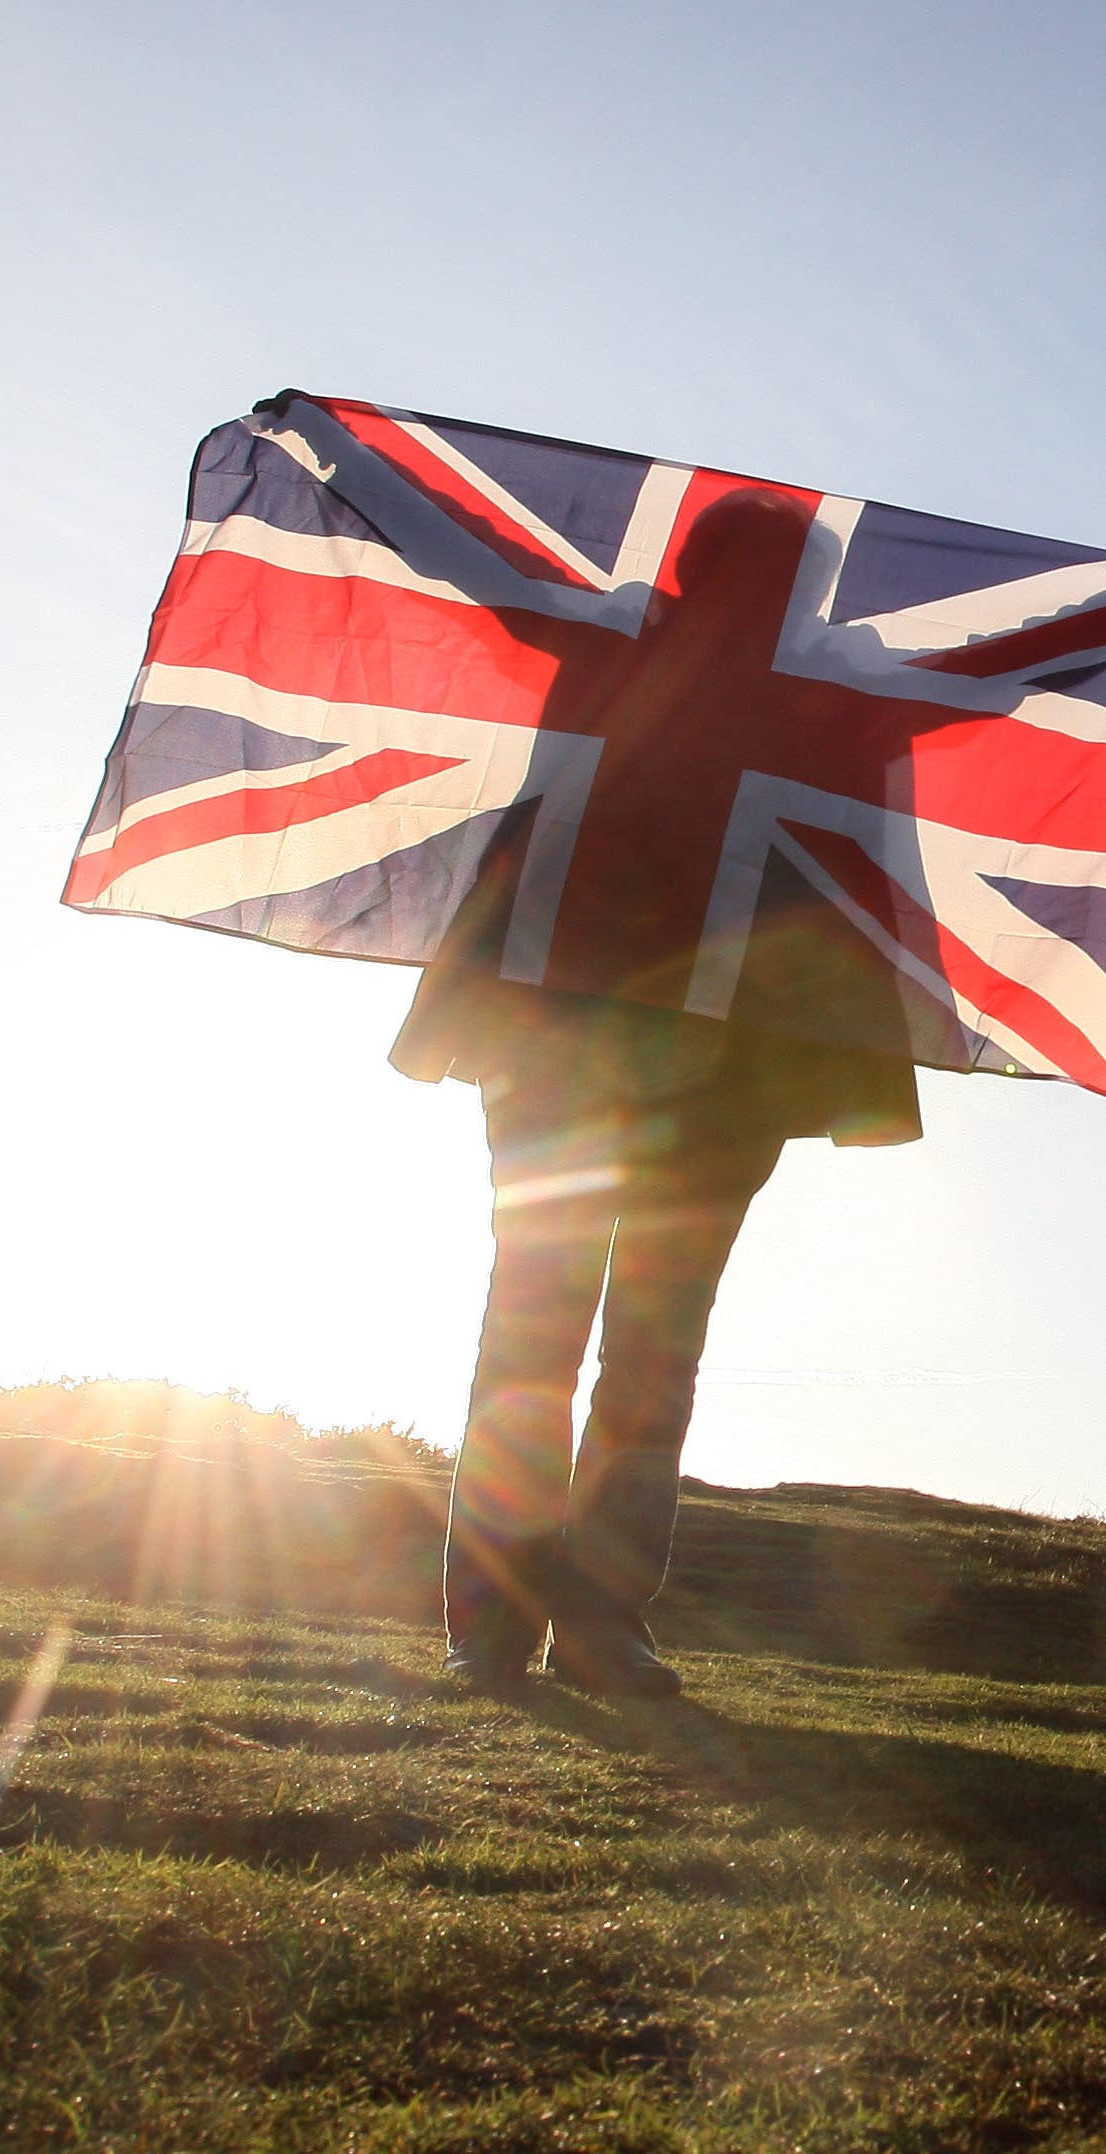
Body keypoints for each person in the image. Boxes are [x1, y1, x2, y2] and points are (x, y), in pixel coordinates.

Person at [402, 491, 923, 1697]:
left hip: (672, 1052)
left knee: (584, 1336)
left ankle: (543, 1626)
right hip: (603, 1046)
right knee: (618, 1340)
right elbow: (1010, 678)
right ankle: (542, 1625)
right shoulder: (692, 660)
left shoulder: (790, 683)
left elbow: (467, 558)